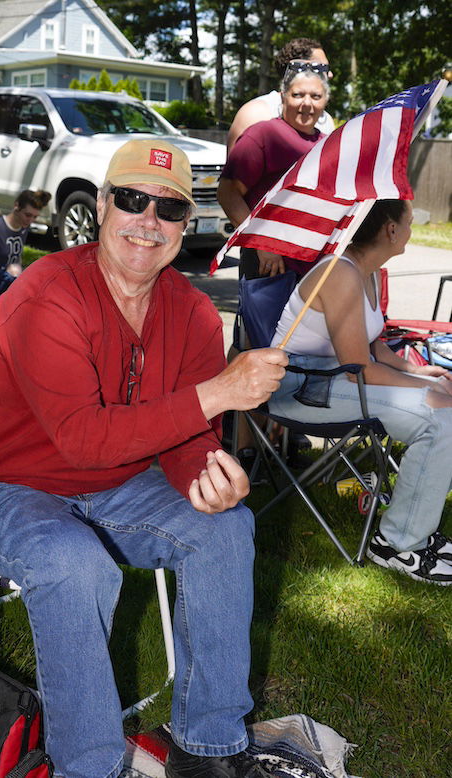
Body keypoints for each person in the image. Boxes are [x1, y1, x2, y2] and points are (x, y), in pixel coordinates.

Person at [0, 139, 288, 778]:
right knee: (76, 563)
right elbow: (81, 438)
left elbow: (185, 438)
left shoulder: (193, 313)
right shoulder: (50, 294)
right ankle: (89, 767)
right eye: (131, 199)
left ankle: (207, 747)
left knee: (226, 528)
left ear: (190, 224)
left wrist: (206, 477)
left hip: (117, 485)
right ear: (101, 207)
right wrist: (221, 393)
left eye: (169, 208)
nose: (148, 222)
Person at [269, 199, 452, 586]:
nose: (411, 230)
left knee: (445, 403)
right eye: (409, 221)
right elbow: (360, 369)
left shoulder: (367, 271)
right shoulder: (339, 273)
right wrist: (429, 389)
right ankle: (396, 544)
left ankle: (419, 530)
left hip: (333, 381)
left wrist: (422, 372)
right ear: (390, 230)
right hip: (300, 390)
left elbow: (376, 347)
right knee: (440, 415)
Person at [219, 65, 329, 280]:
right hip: (270, 265)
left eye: (316, 96)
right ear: (284, 97)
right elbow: (227, 193)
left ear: (325, 101)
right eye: (298, 95)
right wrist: (260, 243)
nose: (307, 103)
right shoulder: (263, 134)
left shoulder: (328, 144)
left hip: (313, 265)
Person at [226, 37, 334, 154]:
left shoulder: (326, 120)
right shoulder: (255, 113)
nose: (330, 75)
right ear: (296, 68)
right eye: (323, 68)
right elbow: (236, 169)